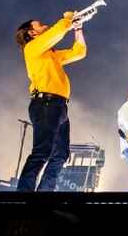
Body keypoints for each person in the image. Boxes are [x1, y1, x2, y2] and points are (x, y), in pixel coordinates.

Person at [14, 12, 86, 191]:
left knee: (60, 155)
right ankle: (23, 194)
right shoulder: (32, 48)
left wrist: (77, 28)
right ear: (31, 33)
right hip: (46, 104)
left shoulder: (49, 54)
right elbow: (56, 32)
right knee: (42, 152)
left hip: (59, 107)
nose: (44, 25)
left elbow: (79, 52)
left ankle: (44, 194)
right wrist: (68, 18)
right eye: (39, 24)